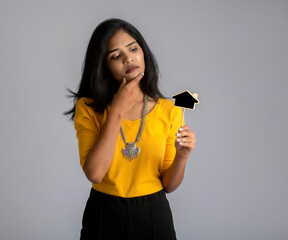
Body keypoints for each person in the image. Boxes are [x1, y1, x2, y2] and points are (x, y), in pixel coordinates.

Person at [64, 18, 196, 240]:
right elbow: (95, 174)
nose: (128, 58)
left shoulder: (169, 110)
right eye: (116, 56)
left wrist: (182, 157)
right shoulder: (88, 108)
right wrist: (116, 112)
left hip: (153, 212)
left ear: (143, 52)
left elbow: (169, 185)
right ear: (103, 65)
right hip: (104, 212)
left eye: (133, 48)